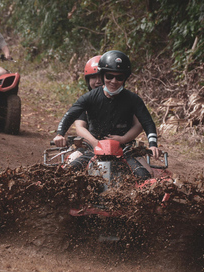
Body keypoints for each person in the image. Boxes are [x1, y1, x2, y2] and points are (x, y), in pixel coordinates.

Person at [53, 50, 160, 179]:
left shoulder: (133, 99)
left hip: (125, 149)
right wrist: (60, 134)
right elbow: (70, 115)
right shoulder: (89, 97)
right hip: (91, 148)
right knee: (67, 173)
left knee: (146, 176)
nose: (113, 81)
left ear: (125, 79)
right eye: (109, 76)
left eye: (119, 77)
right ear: (103, 76)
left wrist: (152, 145)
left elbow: (147, 122)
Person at [73, 55, 144, 166]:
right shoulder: (86, 100)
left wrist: (124, 139)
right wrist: (95, 142)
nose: (98, 82)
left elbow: (139, 124)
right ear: (88, 80)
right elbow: (79, 126)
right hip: (90, 148)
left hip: (124, 149)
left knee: (145, 174)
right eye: (93, 77)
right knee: (68, 168)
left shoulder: (127, 99)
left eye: (100, 78)